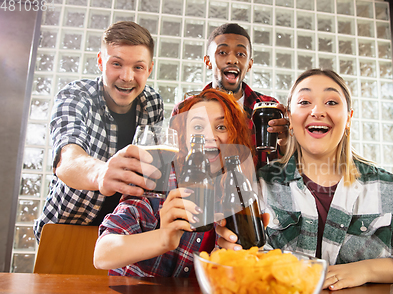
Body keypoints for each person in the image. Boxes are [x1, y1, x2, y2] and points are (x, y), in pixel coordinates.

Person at [216, 68, 393, 290]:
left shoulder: (389, 189)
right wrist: (231, 254)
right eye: (304, 102)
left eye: (331, 102)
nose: (317, 111)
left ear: (348, 118)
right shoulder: (258, 186)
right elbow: (240, 264)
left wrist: (367, 270)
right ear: (289, 119)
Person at [93, 89, 255, 276]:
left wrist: (239, 255)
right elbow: (103, 253)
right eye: (197, 127)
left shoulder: (238, 191)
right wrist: (163, 238)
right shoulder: (158, 178)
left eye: (221, 127)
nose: (209, 136)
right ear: (183, 139)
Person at [33, 21, 164, 242]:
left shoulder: (152, 103)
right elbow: (67, 160)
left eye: (138, 67)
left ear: (149, 69)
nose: (127, 76)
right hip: (64, 232)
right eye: (117, 64)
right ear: (101, 61)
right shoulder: (75, 96)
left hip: (124, 237)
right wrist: (101, 174)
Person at [172, 23, 289, 166]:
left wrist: (286, 145)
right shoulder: (184, 110)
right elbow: (175, 165)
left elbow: (282, 167)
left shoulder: (268, 106)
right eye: (222, 52)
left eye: (241, 54)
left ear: (249, 64)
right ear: (208, 61)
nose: (232, 60)